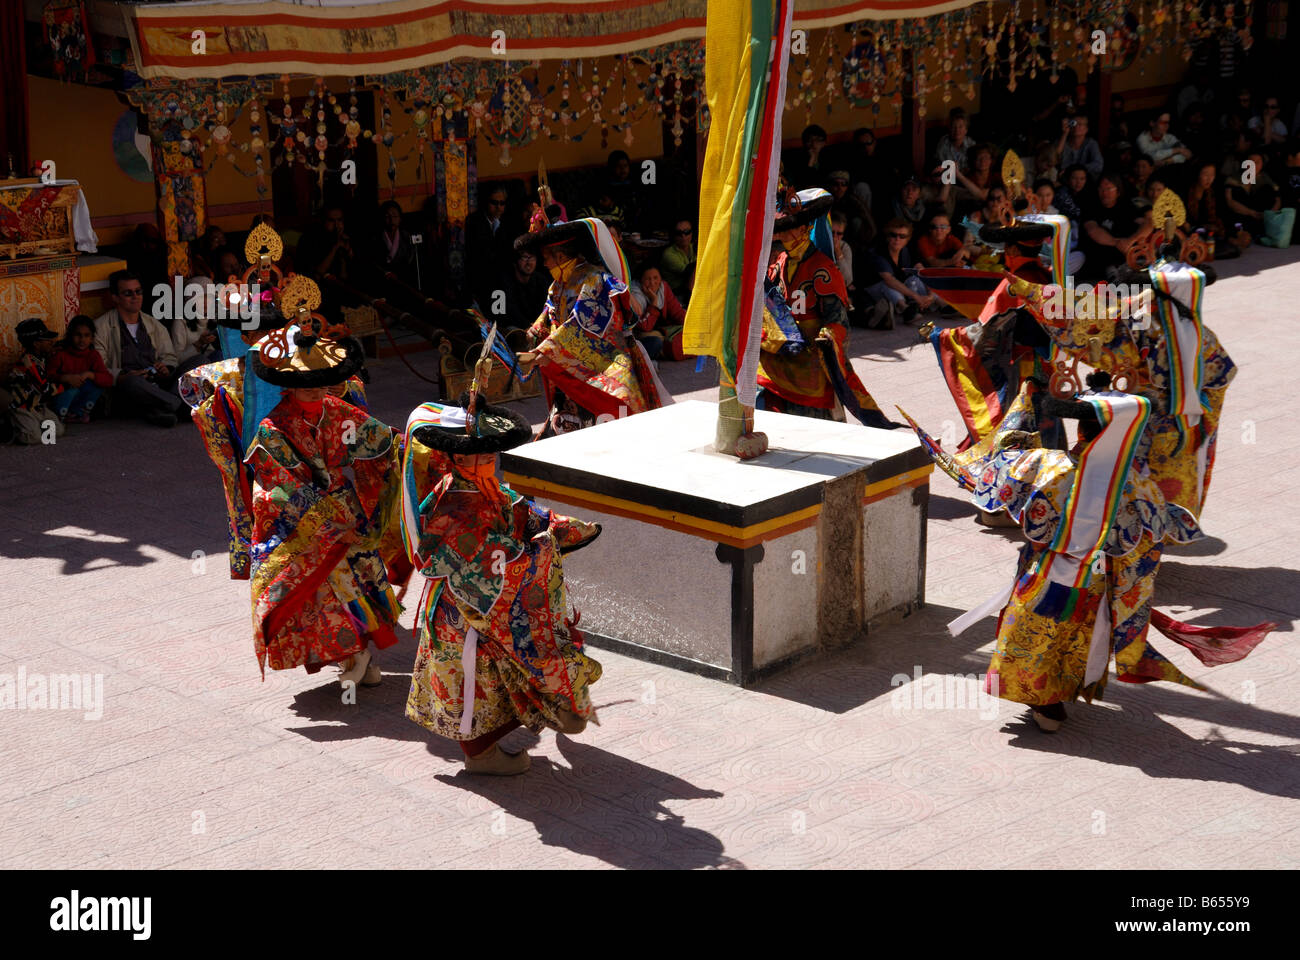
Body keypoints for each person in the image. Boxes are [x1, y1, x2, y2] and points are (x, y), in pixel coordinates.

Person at [401, 398, 603, 775]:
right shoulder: (450, 503)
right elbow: (482, 554)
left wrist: (564, 527)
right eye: (470, 458)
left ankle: (518, 728)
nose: (480, 463)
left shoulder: (492, 488)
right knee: (475, 681)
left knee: (501, 676)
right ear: (452, 459)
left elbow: (524, 511)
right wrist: (539, 547)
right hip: (466, 610)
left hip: (497, 606)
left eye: (487, 455)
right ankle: (479, 755)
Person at [243, 320, 402, 689]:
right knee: (319, 589)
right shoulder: (273, 428)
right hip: (302, 522)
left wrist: (410, 451)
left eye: (319, 382)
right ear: (288, 385)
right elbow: (274, 483)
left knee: (357, 584)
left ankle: (359, 655)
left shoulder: (337, 409)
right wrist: (319, 516)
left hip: (345, 513)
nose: (314, 391)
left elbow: (379, 441)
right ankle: (354, 655)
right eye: (305, 385)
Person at [514, 215, 668, 436]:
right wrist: (531, 333)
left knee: (608, 427)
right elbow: (548, 313)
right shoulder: (557, 284)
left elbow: (581, 323)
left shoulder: (595, 280)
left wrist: (548, 350)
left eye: (546, 257)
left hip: (600, 364)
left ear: (559, 256)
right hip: (565, 363)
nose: (544, 262)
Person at [758, 188, 896, 428]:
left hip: (810, 360)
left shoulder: (823, 270)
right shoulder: (777, 263)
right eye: (779, 230)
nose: (781, 235)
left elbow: (838, 320)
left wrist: (827, 337)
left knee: (816, 432)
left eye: (788, 229)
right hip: (778, 355)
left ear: (805, 228)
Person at [93, 270, 190, 426]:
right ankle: (179, 405)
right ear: (115, 298)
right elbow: (100, 368)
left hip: (159, 382)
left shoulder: (154, 324)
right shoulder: (101, 327)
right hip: (130, 387)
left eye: (138, 292)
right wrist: (124, 375)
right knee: (133, 382)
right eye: (128, 293)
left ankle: (162, 408)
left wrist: (166, 367)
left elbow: (170, 357)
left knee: (199, 361)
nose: (135, 297)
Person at [865, 217, 936, 327]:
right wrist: (916, 296)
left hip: (900, 289)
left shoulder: (908, 250)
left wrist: (930, 294)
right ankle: (905, 310)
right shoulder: (878, 252)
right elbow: (889, 280)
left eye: (902, 236)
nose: (897, 239)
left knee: (915, 279)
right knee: (888, 285)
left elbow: (921, 271)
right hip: (875, 290)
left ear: (908, 239)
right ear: (887, 237)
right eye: (893, 235)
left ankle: (938, 304)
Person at [5, 318, 67, 444]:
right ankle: (10, 427)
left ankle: (32, 424)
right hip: (22, 406)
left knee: (58, 431)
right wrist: (66, 384)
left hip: (36, 405)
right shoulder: (29, 363)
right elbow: (45, 389)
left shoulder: (40, 358)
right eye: (46, 340)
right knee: (34, 437)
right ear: (36, 344)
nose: (51, 342)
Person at [1080, 173, 1146, 280]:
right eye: (1101, 189)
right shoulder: (1091, 206)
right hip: (1099, 257)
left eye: (1109, 189)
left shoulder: (1126, 206)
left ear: (1118, 191)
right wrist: (1117, 242)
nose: (1104, 193)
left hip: (1125, 252)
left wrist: (1131, 240)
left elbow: (1146, 224)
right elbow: (1092, 229)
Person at [47, 315, 112, 424]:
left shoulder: (93, 355)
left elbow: (108, 379)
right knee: (72, 391)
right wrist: (65, 378)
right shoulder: (60, 353)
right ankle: (60, 414)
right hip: (63, 395)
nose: (82, 340)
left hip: (79, 397)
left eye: (87, 336)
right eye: (78, 335)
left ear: (92, 338)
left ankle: (77, 413)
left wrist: (90, 374)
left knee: (97, 386)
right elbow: (48, 376)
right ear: (70, 336)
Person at [464, 185, 514, 308]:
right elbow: (479, 252)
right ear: (486, 202)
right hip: (480, 273)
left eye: (502, 203)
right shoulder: (474, 221)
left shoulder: (506, 222)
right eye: (494, 203)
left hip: (501, 274)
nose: (498, 207)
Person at [628, 263, 686, 361]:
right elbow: (645, 327)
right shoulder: (634, 295)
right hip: (642, 336)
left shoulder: (663, 288)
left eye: (656, 278)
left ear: (660, 279)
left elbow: (678, 313)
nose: (652, 282)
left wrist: (693, 324)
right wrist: (654, 302)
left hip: (662, 332)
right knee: (656, 342)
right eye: (647, 279)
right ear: (640, 280)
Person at [296, 205, 355, 285]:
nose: (337, 225)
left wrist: (346, 252)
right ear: (323, 221)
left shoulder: (345, 238)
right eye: (331, 220)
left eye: (339, 220)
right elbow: (317, 274)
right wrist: (335, 247)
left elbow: (345, 277)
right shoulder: (310, 240)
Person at [494, 246, 551, 330]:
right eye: (524, 258)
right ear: (515, 261)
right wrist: (527, 326)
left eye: (532, 258)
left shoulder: (541, 281)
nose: (529, 262)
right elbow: (503, 314)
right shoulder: (503, 282)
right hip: (513, 329)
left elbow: (547, 308)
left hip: (537, 327)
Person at [371, 199, 417, 286]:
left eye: (395, 216)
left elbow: (411, 258)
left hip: (403, 277)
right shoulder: (376, 238)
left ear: (400, 218)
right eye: (387, 216)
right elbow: (374, 260)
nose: (391, 220)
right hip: (384, 277)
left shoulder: (406, 236)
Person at [828, 170, 875, 253]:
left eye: (844, 184)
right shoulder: (824, 200)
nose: (840, 188)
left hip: (849, 241)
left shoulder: (853, 201)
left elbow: (871, 227)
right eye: (836, 184)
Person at [659, 218, 696, 303]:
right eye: (679, 233)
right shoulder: (668, 254)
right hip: (675, 295)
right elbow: (688, 272)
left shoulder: (693, 247)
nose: (684, 236)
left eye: (687, 232)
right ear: (674, 235)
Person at [1056, 114, 1104, 179]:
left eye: (1080, 124)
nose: (1076, 126)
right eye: (1073, 123)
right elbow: (1054, 157)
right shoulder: (1063, 142)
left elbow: (1098, 165)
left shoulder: (1091, 143)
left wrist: (1073, 170)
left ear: (1086, 129)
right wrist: (1065, 133)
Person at [934, 108, 976, 176]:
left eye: (960, 127)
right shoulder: (943, 143)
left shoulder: (971, 145)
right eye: (953, 127)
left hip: (966, 179)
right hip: (947, 178)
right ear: (949, 128)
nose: (957, 130)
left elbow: (974, 168)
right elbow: (939, 165)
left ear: (966, 129)